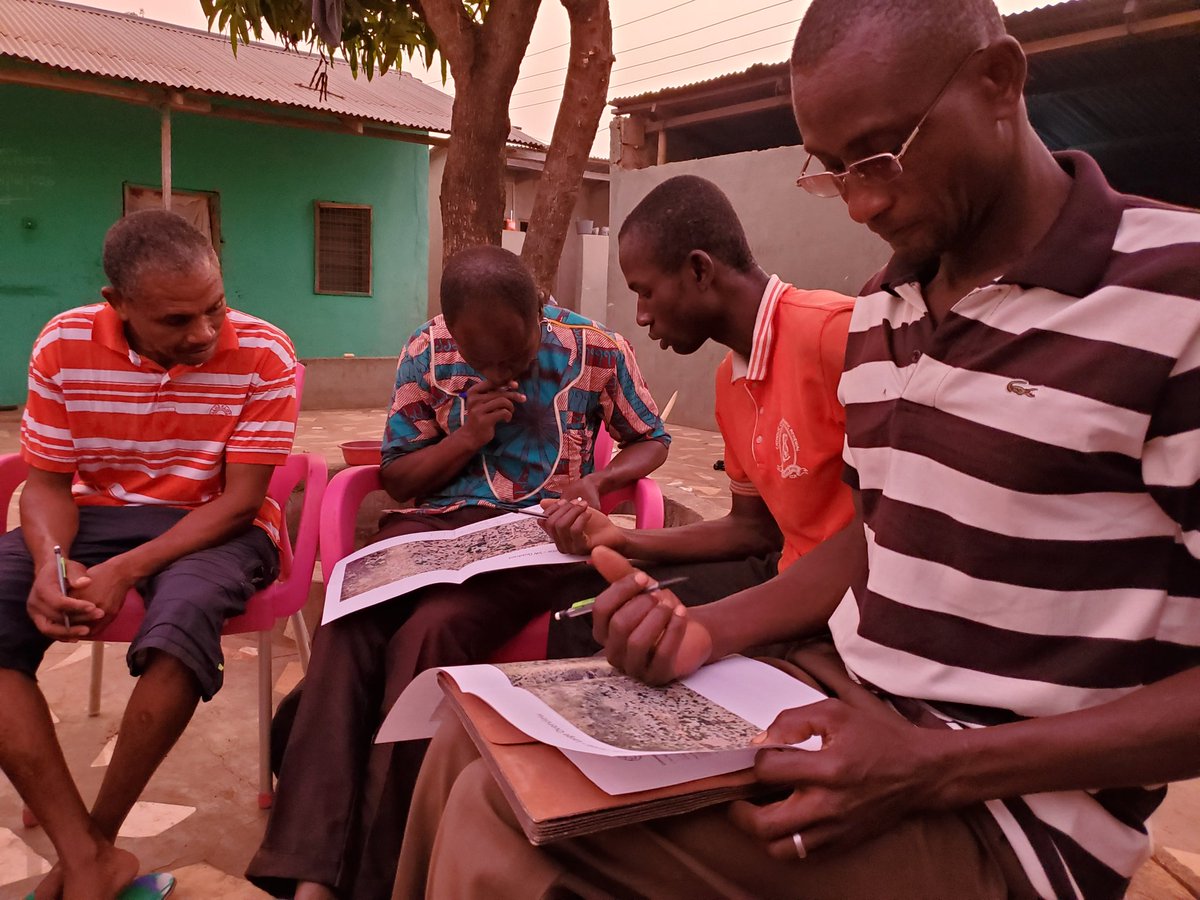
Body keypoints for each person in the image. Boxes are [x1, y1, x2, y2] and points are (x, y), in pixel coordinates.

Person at [392, 1, 1200, 897]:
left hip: (1007, 808)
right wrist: (699, 629)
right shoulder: (886, 310)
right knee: (474, 734)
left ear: (999, 81)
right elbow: (871, 539)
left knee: (501, 816)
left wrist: (932, 766)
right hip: (828, 699)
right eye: (836, 170)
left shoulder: (1175, 297)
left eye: (884, 154)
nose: (863, 201)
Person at [246, 245, 669, 900]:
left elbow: (652, 437)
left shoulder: (596, 347)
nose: (499, 371)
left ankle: (382, 876)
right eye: (482, 360)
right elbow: (396, 475)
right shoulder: (427, 349)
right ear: (452, 329)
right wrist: (466, 437)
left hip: (535, 537)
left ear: (541, 313)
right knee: (347, 624)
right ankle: (308, 874)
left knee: (432, 634)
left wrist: (599, 483)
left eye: (515, 355)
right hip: (434, 530)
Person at [0, 209, 297, 900]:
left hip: (216, 521)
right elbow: (44, 485)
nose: (203, 333)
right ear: (118, 305)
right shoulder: (63, 343)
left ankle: (96, 839)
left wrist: (125, 570)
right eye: (176, 321)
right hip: (95, 514)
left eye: (214, 308)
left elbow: (240, 501)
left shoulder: (265, 352)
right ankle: (87, 859)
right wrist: (51, 563)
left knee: (183, 620)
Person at [542, 174, 854, 661]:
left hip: (850, 604)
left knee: (643, 639)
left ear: (699, 271)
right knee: (590, 610)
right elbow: (755, 530)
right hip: (783, 571)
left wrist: (711, 627)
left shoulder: (839, 338)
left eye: (645, 292)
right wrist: (622, 537)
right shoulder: (730, 379)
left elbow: (893, 537)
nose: (641, 316)